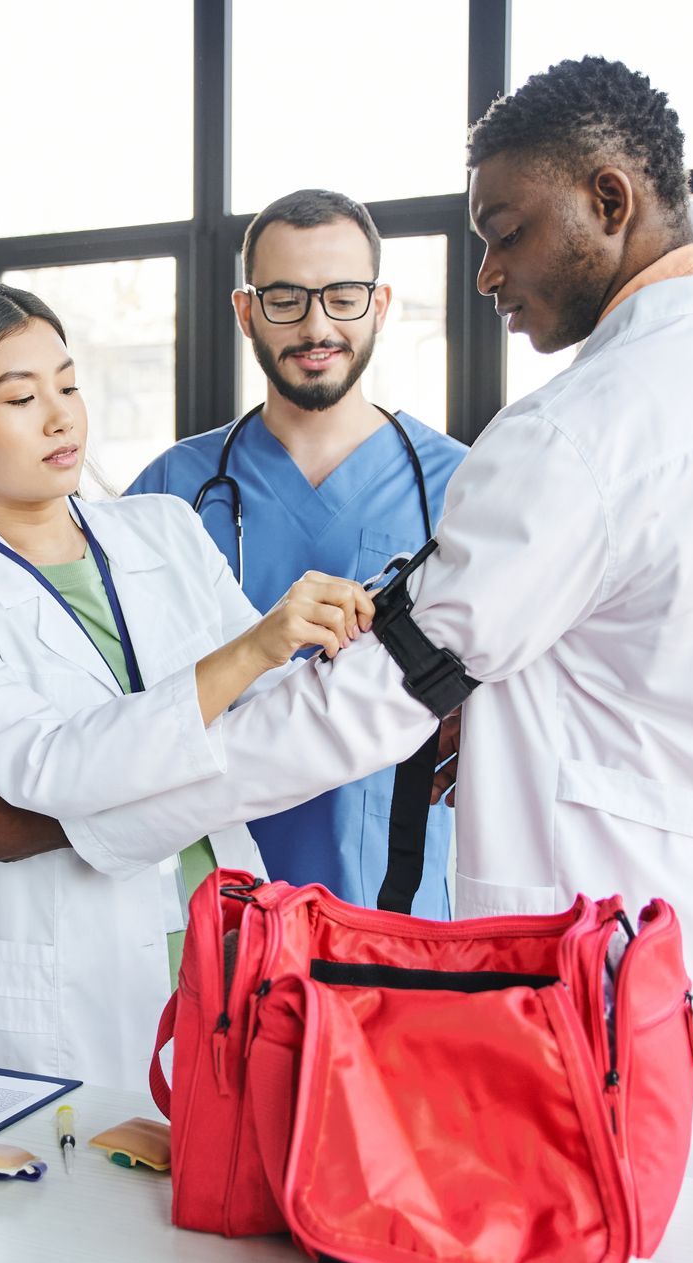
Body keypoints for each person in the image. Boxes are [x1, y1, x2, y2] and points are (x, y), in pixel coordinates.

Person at [0, 58, 693, 1192]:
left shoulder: (575, 434)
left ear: (610, 203)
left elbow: (358, 705)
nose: (486, 273)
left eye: (505, 231)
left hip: (612, 965)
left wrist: (80, 811)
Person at [0, 279, 375, 1089]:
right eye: (22, 397)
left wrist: (348, 653)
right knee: (96, 1202)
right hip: (83, 965)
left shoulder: (163, 526)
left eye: (68, 385)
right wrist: (252, 650)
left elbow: (277, 727)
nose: (62, 416)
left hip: (231, 921)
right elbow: (54, 770)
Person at [126, 189, 468, 917]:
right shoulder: (172, 491)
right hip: (210, 911)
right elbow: (113, 701)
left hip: (395, 910)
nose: (316, 325)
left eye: (342, 296)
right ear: (245, 310)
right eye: (285, 298)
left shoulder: (464, 488)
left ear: (379, 304)